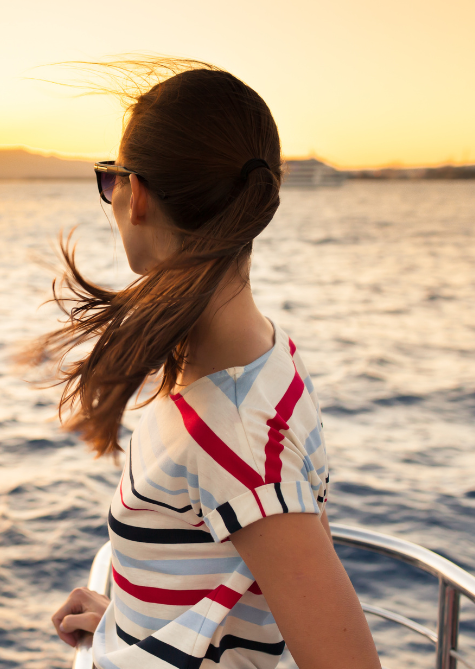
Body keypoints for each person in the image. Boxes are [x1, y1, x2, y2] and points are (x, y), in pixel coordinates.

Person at [31, 60, 382, 668]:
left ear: (134, 194)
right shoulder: (265, 359)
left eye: (111, 178)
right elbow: (231, 574)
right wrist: (129, 622)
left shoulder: (237, 429)